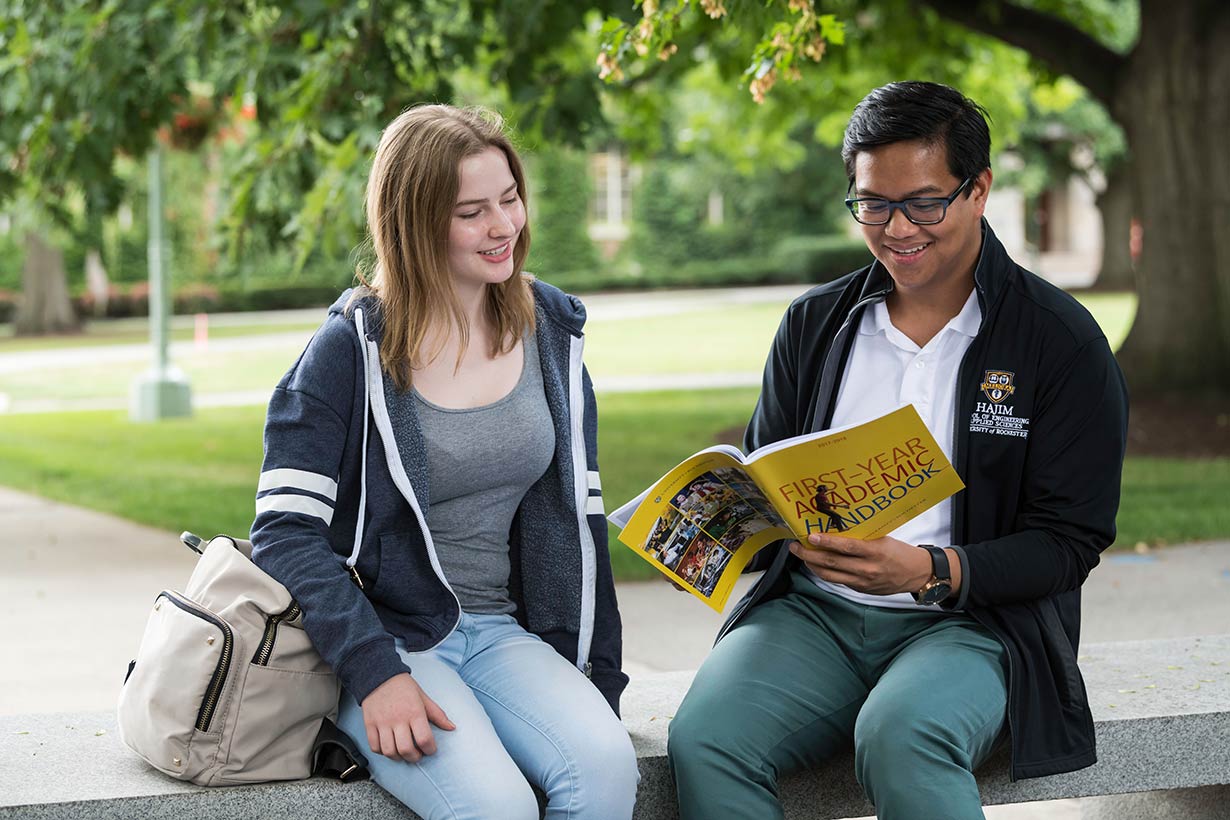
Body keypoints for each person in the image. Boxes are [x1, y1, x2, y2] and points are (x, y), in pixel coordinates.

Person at [666, 81, 1129, 820]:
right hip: (813, 616)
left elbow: (1070, 541)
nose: (896, 229)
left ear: (978, 189)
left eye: (922, 202)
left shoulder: (1059, 341)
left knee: (901, 734)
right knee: (704, 737)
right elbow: (769, 482)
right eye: (872, 204)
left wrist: (933, 569)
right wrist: (709, 536)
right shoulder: (815, 325)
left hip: (973, 624)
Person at [250, 104, 638, 820]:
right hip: (386, 640)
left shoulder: (551, 331)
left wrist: (597, 682)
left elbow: (579, 522)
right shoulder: (350, 349)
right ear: (416, 222)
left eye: (510, 199)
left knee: (608, 768)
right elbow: (283, 530)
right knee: (498, 808)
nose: (504, 227)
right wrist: (376, 674)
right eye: (472, 212)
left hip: (501, 631)